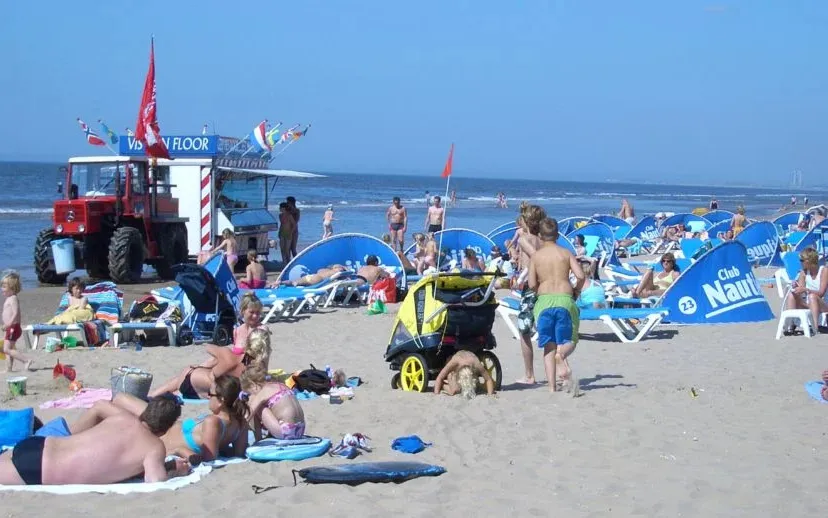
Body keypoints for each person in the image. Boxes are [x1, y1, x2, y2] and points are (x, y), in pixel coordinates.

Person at [0, 396, 188, 485]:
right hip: (40, 469)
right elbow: (155, 482)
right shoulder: (154, 447)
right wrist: (175, 472)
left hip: (40, 443)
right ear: (166, 428)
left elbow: (99, 406)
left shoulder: (122, 418)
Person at [71, 376, 249, 461]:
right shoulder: (241, 422)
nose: (207, 398)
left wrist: (180, 450)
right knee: (120, 399)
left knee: (106, 405)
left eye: (210, 394)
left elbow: (208, 458)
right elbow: (238, 454)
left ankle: (68, 437)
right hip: (165, 424)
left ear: (222, 400)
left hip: (158, 431)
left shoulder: (213, 422)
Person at [148, 297, 270, 400]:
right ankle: (153, 395)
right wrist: (203, 365)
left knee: (189, 377)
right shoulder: (237, 330)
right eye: (252, 312)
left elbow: (252, 360)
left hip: (243, 373)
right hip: (232, 367)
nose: (255, 316)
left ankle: (155, 396)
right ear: (243, 311)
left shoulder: (260, 332)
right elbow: (232, 354)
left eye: (258, 313)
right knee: (188, 373)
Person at [528, 218, 585, 392]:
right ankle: (562, 355)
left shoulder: (536, 256)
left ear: (539, 235)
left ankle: (552, 387)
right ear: (558, 234)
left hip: (544, 301)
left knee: (548, 345)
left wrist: (540, 290)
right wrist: (576, 291)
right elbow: (581, 276)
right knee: (570, 339)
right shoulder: (565, 253)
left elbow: (531, 284)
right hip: (565, 299)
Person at [512, 205, 546, 385]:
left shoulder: (525, 239)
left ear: (526, 221)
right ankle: (557, 372)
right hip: (545, 287)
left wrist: (521, 278)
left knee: (524, 330)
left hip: (531, 289)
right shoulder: (543, 240)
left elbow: (534, 259)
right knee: (546, 329)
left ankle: (529, 374)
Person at [241, 365, 306, 441]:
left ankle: (258, 440)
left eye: (249, 392)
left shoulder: (263, 392)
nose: (250, 394)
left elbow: (248, 414)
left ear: (253, 385)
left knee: (255, 404)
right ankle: (269, 434)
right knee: (275, 407)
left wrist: (236, 428)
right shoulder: (281, 385)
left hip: (286, 432)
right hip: (300, 429)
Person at [783, 248, 828, 335]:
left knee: (812, 296)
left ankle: (815, 328)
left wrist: (806, 289)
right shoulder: (803, 273)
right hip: (809, 304)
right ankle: (790, 325)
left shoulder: (824, 271)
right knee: (792, 295)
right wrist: (796, 287)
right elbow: (801, 291)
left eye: (801, 260)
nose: (800, 262)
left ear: (808, 261)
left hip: (823, 304)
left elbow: (821, 293)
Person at [2, 271, 31, 372]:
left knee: (6, 349)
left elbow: (15, 313)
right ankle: (9, 368)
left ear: (12, 288)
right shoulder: (9, 298)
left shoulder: (13, 298)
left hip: (13, 327)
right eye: (2, 286)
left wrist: (9, 324)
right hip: (10, 328)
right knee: (8, 349)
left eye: (5, 286)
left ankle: (26, 360)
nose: (2, 289)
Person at [270, 264, 348, 288]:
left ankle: (280, 282)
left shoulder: (322, 270)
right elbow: (347, 272)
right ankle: (279, 283)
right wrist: (345, 268)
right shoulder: (338, 271)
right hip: (317, 279)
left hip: (313, 276)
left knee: (295, 282)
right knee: (295, 282)